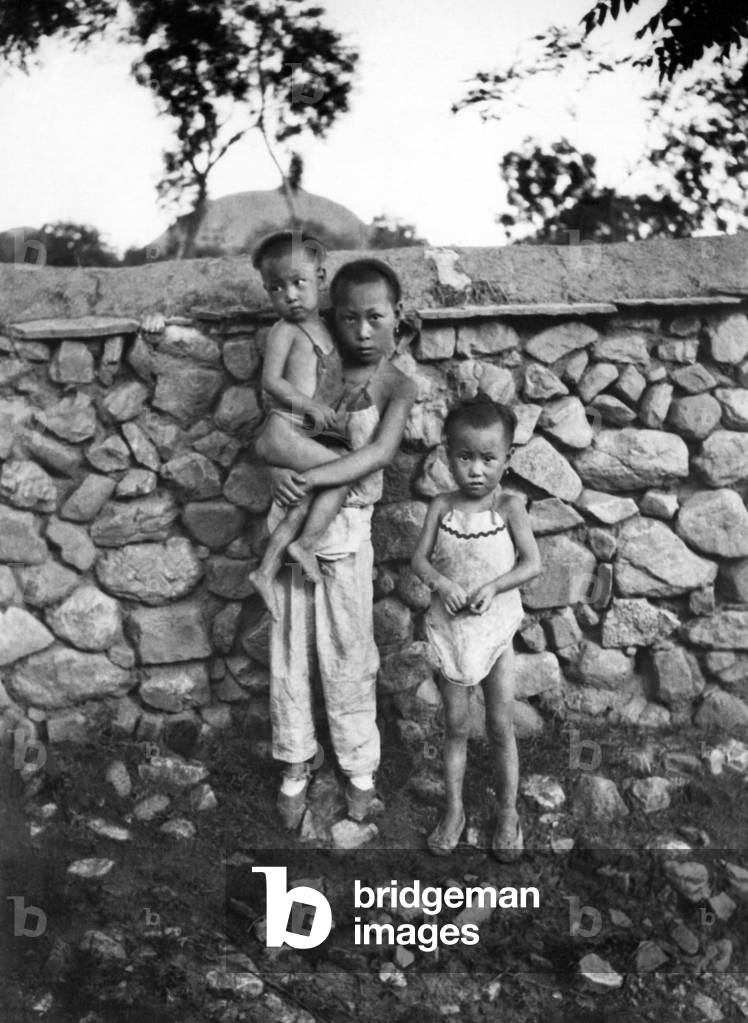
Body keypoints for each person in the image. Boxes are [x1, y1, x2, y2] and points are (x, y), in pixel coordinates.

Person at [266, 258, 417, 830]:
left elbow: (375, 456)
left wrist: (310, 474)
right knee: (291, 649)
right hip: (290, 522)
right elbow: (276, 430)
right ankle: (295, 767)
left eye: (375, 318)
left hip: (349, 533)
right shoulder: (317, 364)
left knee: (349, 651)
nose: (361, 331)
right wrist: (282, 467)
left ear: (395, 318)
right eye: (349, 318)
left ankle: (358, 772)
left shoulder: (397, 383)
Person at [410, 399, 542, 861]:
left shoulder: (509, 507)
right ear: (447, 455)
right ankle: (454, 810)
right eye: (465, 456)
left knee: (501, 725)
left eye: (489, 458)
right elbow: (419, 559)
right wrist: (441, 583)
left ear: (506, 459)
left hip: (495, 629)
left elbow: (532, 563)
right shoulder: (441, 507)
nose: (477, 470)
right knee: (455, 726)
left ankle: (507, 811)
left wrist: (495, 586)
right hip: (452, 630)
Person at [248, 230, 354, 620]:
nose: (289, 295)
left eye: (298, 283)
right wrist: (308, 405)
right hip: (287, 428)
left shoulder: (328, 328)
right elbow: (271, 382)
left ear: (321, 278)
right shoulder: (285, 331)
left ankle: (265, 570)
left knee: (305, 499)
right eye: (276, 288)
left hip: (305, 432)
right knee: (342, 475)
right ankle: (304, 546)